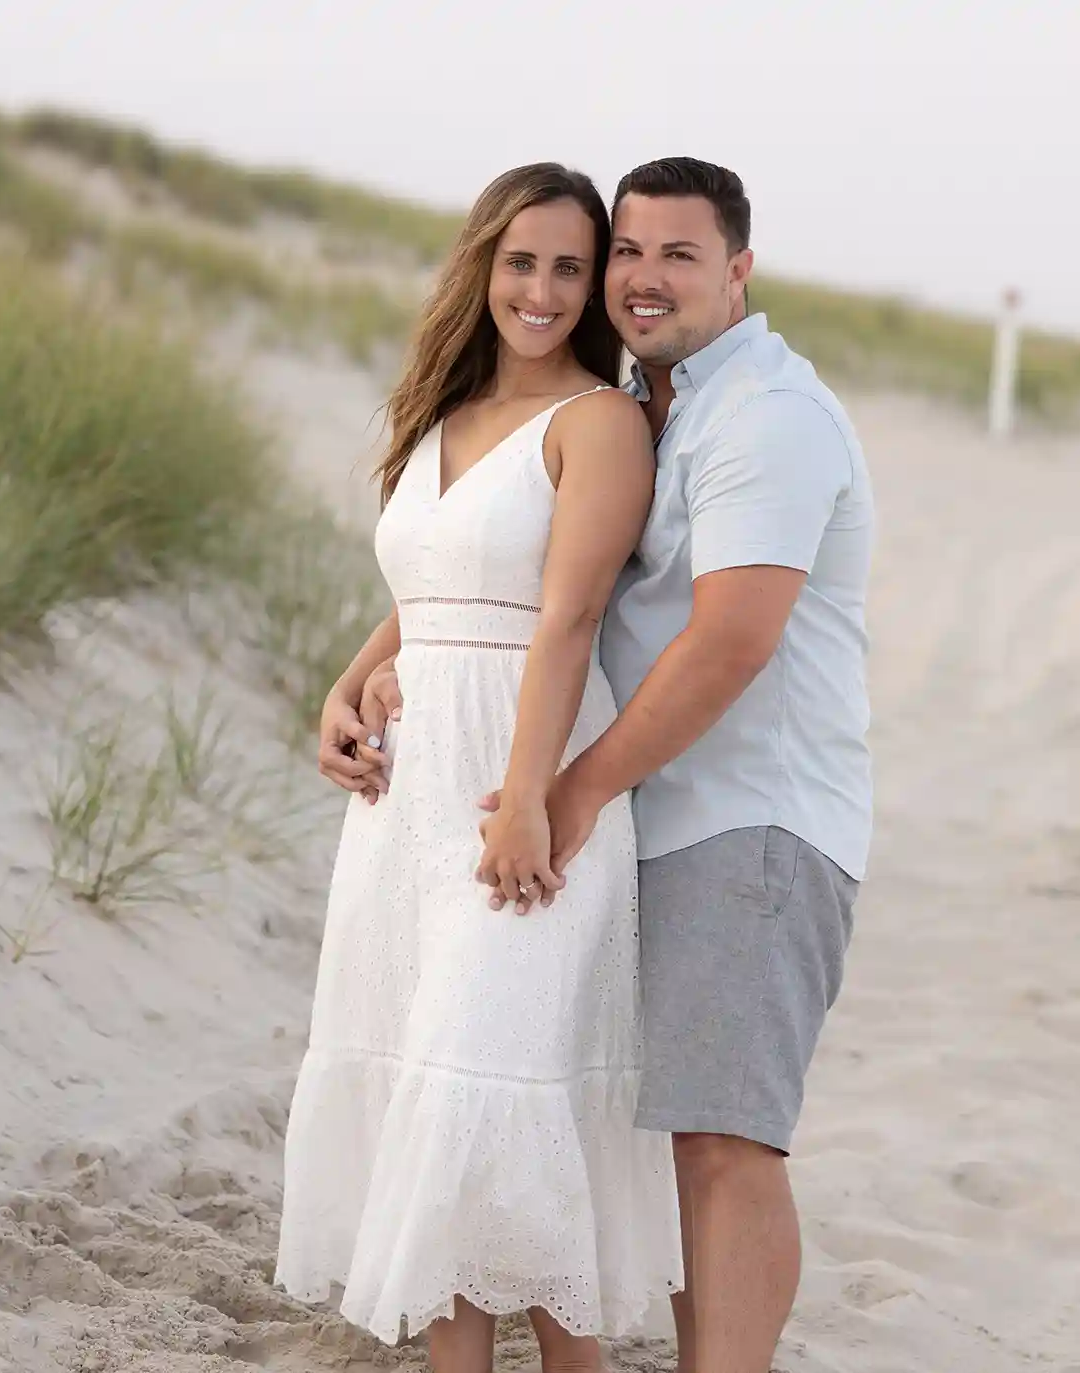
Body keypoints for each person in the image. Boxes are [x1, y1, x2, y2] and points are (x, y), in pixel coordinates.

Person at [361, 157, 876, 1373]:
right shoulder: (664, 404)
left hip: (748, 820)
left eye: (679, 255)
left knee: (725, 1141)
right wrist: (381, 658)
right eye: (629, 252)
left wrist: (571, 787)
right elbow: (544, 572)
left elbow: (734, 637)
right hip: (660, 809)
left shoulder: (767, 417)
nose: (644, 278)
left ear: (738, 269)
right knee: (643, 1124)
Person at [273, 162, 683, 1373]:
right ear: (482, 268)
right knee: (435, 1099)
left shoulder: (599, 424)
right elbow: (428, 590)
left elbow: (562, 619)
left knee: (493, 1092)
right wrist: (346, 685)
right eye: (521, 262)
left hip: (524, 790)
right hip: (407, 807)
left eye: (570, 266)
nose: (544, 290)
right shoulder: (440, 417)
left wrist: (526, 811)